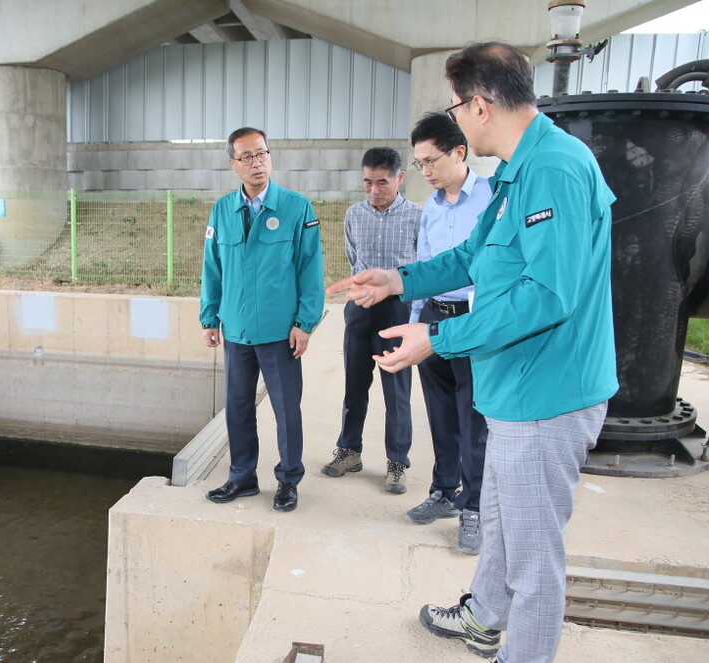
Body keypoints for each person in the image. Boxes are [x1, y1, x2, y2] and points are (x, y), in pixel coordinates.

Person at [328, 42, 617, 663]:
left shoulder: (554, 169)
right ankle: (485, 614)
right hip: (517, 387)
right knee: (502, 516)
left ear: (480, 106)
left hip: (548, 392)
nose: (456, 116)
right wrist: (398, 279)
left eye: (458, 105)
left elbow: (546, 296)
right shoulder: (520, 171)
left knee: (533, 550)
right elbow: (470, 256)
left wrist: (437, 338)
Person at [200, 127, 324, 513]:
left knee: (286, 410)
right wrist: (209, 317)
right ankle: (242, 477)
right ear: (233, 164)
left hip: (279, 331)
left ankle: (288, 480)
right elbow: (212, 268)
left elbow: (310, 269)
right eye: (247, 157)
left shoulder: (296, 207)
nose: (257, 162)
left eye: (262, 153)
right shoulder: (222, 210)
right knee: (238, 408)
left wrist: (305, 323)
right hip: (236, 329)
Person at [406, 112, 492, 555]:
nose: (425, 171)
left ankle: (473, 506)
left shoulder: (493, 198)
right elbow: (425, 264)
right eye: (419, 163)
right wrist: (417, 320)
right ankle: (444, 490)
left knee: (473, 419)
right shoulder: (432, 207)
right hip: (434, 318)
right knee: (440, 413)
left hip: (473, 322)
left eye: (431, 161)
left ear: (459, 153)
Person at [321, 147, 421, 495]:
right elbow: (354, 258)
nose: (374, 190)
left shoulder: (417, 217)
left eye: (382, 182)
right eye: (367, 182)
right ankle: (349, 451)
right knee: (354, 386)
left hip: (398, 311)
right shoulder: (354, 215)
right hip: (360, 309)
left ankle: (397, 462)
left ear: (399, 178)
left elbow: (424, 267)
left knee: (397, 391)